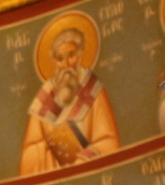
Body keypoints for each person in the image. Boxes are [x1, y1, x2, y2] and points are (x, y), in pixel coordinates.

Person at [20, 27, 119, 174]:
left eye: (71, 55)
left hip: (88, 172)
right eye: (60, 59)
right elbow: (30, 151)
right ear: (54, 61)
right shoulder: (45, 96)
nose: (66, 64)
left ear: (80, 55)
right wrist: (51, 157)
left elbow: (109, 142)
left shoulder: (93, 89)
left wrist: (83, 159)